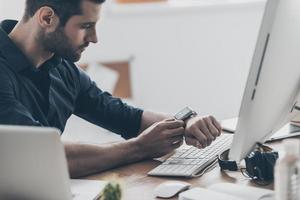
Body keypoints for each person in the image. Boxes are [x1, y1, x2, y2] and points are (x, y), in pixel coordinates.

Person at [0, 0, 222, 178]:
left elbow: (125, 116)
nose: (94, 38)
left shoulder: (63, 68)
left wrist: (186, 123)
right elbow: (39, 157)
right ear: (47, 18)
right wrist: (139, 148)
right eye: (86, 26)